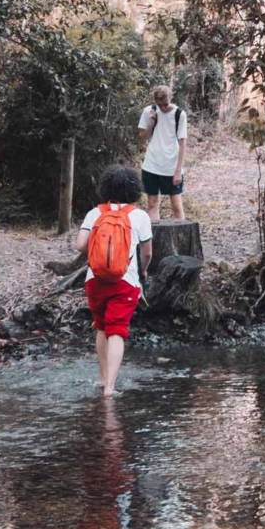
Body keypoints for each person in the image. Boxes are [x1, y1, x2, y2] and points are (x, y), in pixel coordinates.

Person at [76, 165, 155, 396]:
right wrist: (144, 271)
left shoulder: (95, 213)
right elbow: (147, 253)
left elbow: (80, 245)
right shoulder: (139, 216)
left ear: (105, 188)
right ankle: (110, 387)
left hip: (95, 280)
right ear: (134, 189)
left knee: (101, 326)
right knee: (117, 330)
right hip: (125, 281)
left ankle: (101, 379)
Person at [136, 84, 188, 221]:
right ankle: (155, 240)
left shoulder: (179, 114)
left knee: (176, 206)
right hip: (152, 165)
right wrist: (151, 124)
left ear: (171, 98)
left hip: (171, 166)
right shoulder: (149, 111)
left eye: (165, 104)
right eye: (160, 105)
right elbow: (141, 138)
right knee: (152, 204)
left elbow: (183, 144)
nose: (163, 108)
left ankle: (179, 239)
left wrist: (178, 171)